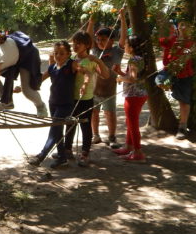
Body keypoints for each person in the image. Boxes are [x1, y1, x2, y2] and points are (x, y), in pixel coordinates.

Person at [59, 31, 109, 168]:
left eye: (78, 44)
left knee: (85, 127)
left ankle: (85, 154)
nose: (75, 46)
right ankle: (67, 150)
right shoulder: (73, 58)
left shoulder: (91, 61)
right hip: (71, 97)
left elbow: (105, 75)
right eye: (74, 43)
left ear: (86, 45)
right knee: (70, 124)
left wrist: (98, 60)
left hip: (86, 99)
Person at [28, 41, 78, 167]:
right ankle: (61, 157)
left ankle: (41, 156)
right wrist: (22, 87)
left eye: (62, 53)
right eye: (56, 53)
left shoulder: (72, 65)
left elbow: (85, 71)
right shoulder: (52, 68)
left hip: (66, 104)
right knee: (57, 130)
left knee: (54, 129)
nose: (58, 56)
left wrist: (86, 81)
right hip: (53, 103)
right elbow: (39, 81)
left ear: (68, 54)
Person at [86, 9, 127, 148]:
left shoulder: (116, 51)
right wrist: (91, 23)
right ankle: (95, 135)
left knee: (110, 114)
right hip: (94, 90)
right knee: (94, 113)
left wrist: (122, 18)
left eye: (103, 39)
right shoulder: (96, 51)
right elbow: (88, 38)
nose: (99, 42)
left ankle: (112, 137)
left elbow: (123, 38)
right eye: (98, 39)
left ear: (111, 40)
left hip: (109, 90)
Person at [156, 21, 196, 140]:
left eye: (187, 25)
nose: (184, 27)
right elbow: (161, 42)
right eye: (182, 24)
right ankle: (168, 86)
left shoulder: (193, 41)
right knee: (159, 81)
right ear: (178, 26)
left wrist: (190, 52)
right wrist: (170, 34)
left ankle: (182, 127)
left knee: (184, 101)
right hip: (168, 72)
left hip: (185, 74)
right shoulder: (172, 38)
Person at [112, 35, 148, 162]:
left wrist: (120, 78)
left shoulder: (133, 60)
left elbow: (132, 78)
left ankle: (138, 152)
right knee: (130, 122)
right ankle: (128, 147)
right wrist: (120, 73)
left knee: (133, 124)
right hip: (141, 94)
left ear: (131, 48)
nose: (124, 46)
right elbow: (134, 76)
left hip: (134, 96)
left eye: (126, 44)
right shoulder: (139, 58)